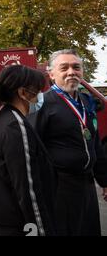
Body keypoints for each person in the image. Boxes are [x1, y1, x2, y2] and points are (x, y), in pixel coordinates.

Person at [29, 49, 107, 236]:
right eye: (64, 67)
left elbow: (94, 143)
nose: (71, 72)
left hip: (86, 187)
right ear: (51, 73)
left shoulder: (85, 103)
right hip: (57, 189)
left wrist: (105, 180)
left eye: (76, 67)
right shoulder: (41, 104)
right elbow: (31, 149)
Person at [0, 65, 56, 236]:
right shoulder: (15, 126)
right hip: (16, 223)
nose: (40, 96)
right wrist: (40, 229)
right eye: (38, 91)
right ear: (23, 92)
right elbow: (28, 186)